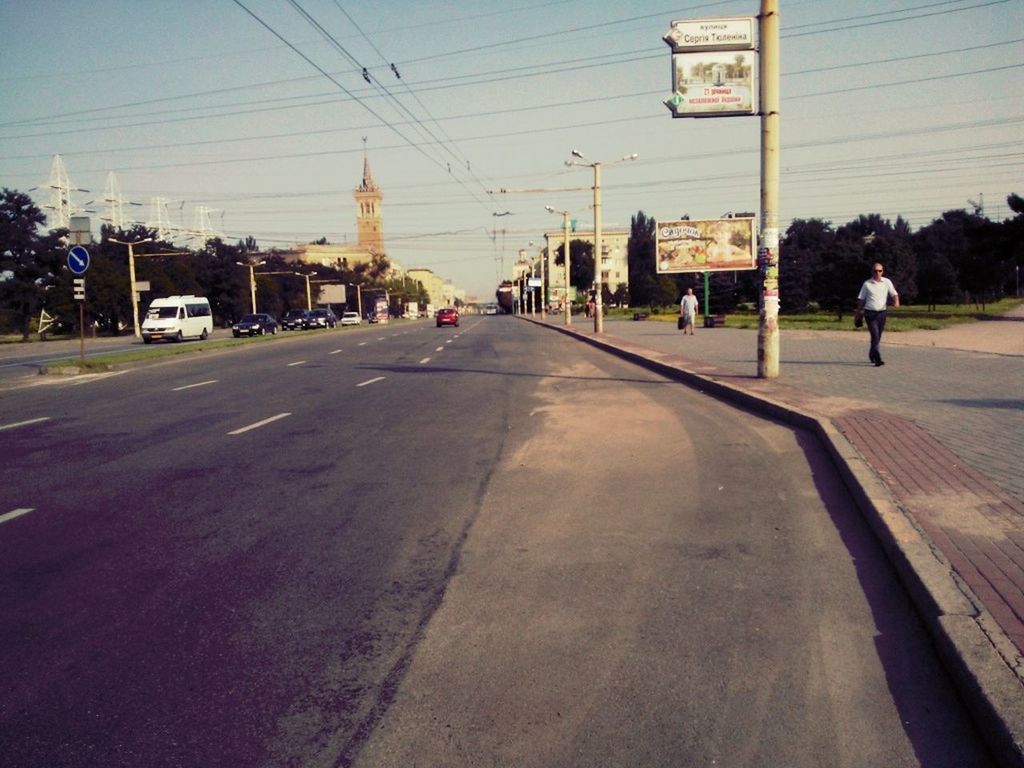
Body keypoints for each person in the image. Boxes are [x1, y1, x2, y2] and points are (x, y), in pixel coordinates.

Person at [854, 262, 899, 366]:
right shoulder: (867, 284)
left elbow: (894, 294)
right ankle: (877, 358)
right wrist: (857, 314)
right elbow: (861, 300)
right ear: (872, 271)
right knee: (875, 335)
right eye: (875, 271)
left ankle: (872, 354)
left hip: (882, 313)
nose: (878, 273)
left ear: (882, 271)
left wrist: (896, 302)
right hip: (870, 313)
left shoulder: (887, 282)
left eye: (880, 271)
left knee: (878, 336)